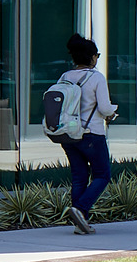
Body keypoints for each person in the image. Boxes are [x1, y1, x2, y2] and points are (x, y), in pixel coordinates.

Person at [48, 34, 117, 234]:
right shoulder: (96, 77)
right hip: (91, 134)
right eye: (97, 55)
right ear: (92, 57)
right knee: (103, 175)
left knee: (79, 177)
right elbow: (104, 108)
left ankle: (80, 222)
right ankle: (80, 209)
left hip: (68, 134)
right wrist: (112, 113)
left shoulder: (64, 77)